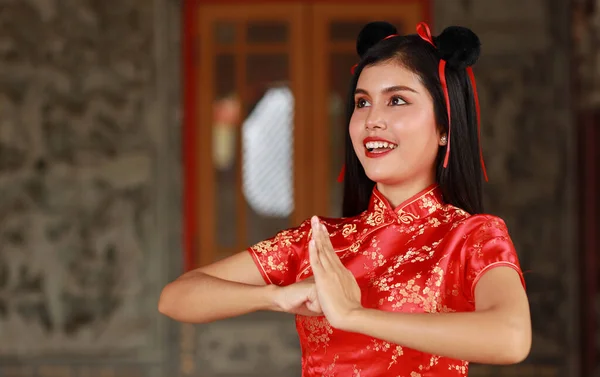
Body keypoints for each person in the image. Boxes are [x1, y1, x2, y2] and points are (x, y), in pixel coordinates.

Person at [159, 21, 532, 376]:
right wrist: (277, 296)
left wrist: (354, 315)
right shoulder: (320, 242)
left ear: (444, 129)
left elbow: (512, 337)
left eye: (397, 101)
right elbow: (177, 297)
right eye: (362, 102)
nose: (372, 119)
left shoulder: (471, 237)